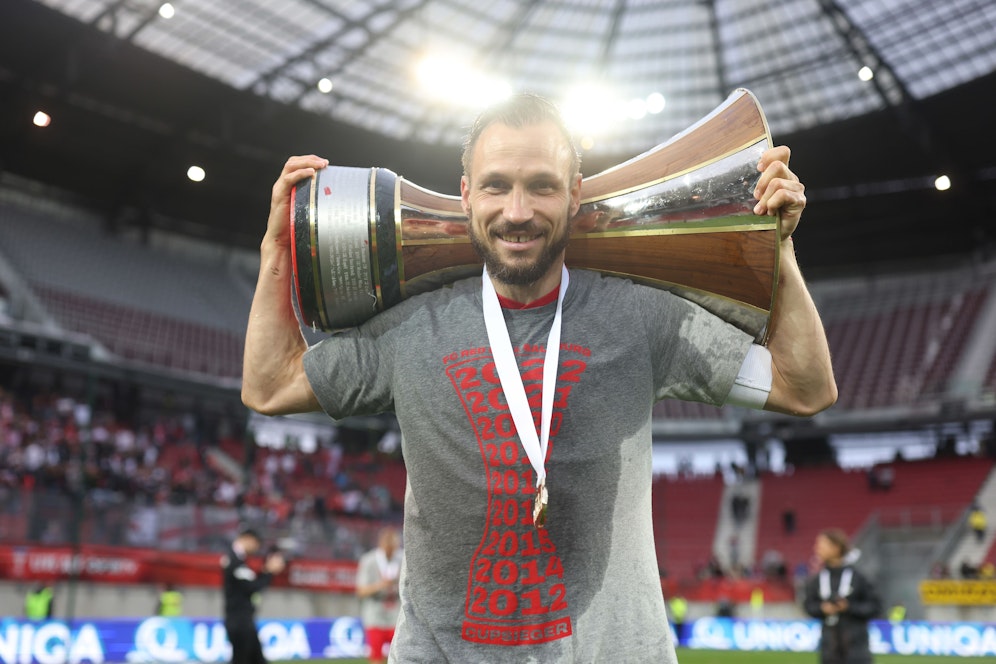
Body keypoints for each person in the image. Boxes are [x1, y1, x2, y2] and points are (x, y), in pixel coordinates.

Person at [242, 93, 836, 662]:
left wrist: (779, 249)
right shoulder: (407, 329)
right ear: (466, 194)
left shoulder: (640, 316)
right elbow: (269, 386)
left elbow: (803, 388)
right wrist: (277, 251)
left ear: (575, 194)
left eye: (542, 186)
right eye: (496, 185)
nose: (518, 212)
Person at [803, 528, 881, 664]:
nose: (817, 549)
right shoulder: (817, 579)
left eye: (822, 545)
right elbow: (808, 605)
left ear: (836, 547)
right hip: (829, 652)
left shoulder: (858, 577)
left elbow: (875, 607)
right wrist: (822, 608)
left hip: (856, 652)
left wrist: (849, 607)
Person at [222, 528, 286, 664]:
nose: (256, 548)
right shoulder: (234, 560)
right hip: (240, 622)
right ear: (248, 539)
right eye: (256, 544)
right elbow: (252, 587)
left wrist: (266, 571)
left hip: (242, 621)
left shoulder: (237, 560)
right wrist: (269, 571)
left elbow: (250, 585)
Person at [356, 527, 403, 663]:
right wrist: (381, 585)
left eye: (393, 546)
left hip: (397, 616)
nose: (390, 549)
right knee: (376, 658)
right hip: (375, 615)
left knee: (400, 656)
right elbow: (361, 591)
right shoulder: (369, 560)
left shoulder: (403, 559)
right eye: (388, 546)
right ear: (381, 543)